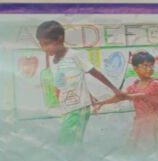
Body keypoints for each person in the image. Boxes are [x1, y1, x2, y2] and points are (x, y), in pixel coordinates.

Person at [36, 18, 119, 152]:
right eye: (41, 45)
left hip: (78, 108)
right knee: (68, 141)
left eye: (46, 44)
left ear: (59, 39)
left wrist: (115, 90)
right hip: (68, 108)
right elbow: (73, 80)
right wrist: (88, 95)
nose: (44, 48)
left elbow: (94, 73)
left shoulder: (74, 55)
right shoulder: (53, 61)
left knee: (69, 143)